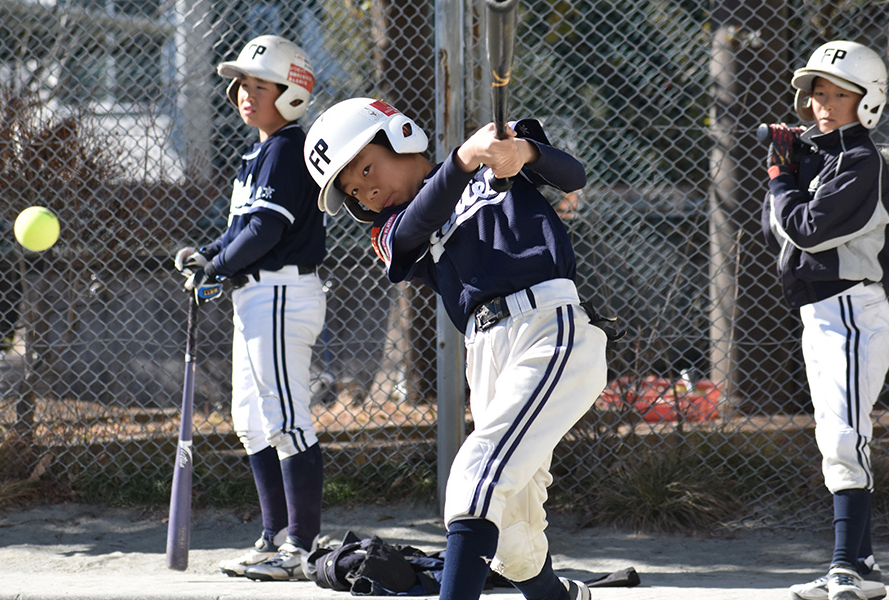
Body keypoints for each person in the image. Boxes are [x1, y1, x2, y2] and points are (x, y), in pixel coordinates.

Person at [303, 97, 614, 600]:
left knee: (475, 479)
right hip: (485, 350)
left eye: (366, 168)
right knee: (511, 536)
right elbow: (414, 226)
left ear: (400, 136)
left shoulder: (491, 156)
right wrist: (465, 159)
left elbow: (573, 176)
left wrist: (523, 153)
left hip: (548, 328)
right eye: (354, 189)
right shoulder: (394, 228)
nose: (367, 190)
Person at [173, 34, 326, 582]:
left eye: (261, 85)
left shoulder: (286, 148)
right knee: (252, 421)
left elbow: (265, 231)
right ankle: (275, 536)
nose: (245, 93)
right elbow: (243, 229)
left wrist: (218, 267)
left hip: (282, 293)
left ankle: (301, 547)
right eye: (242, 84)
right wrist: (208, 255)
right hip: (258, 297)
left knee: (285, 419)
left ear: (291, 94)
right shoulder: (261, 153)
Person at [761, 40, 889, 600]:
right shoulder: (824, 159)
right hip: (821, 315)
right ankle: (861, 564)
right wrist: (793, 168)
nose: (824, 105)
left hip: (852, 309)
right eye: (818, 93)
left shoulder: (863, 161)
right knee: (834, 433)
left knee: (845, 435)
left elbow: (806, 229)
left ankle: (845, 567)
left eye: (840, 95)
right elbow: (776, 229)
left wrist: (780, 175)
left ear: (868, 101)